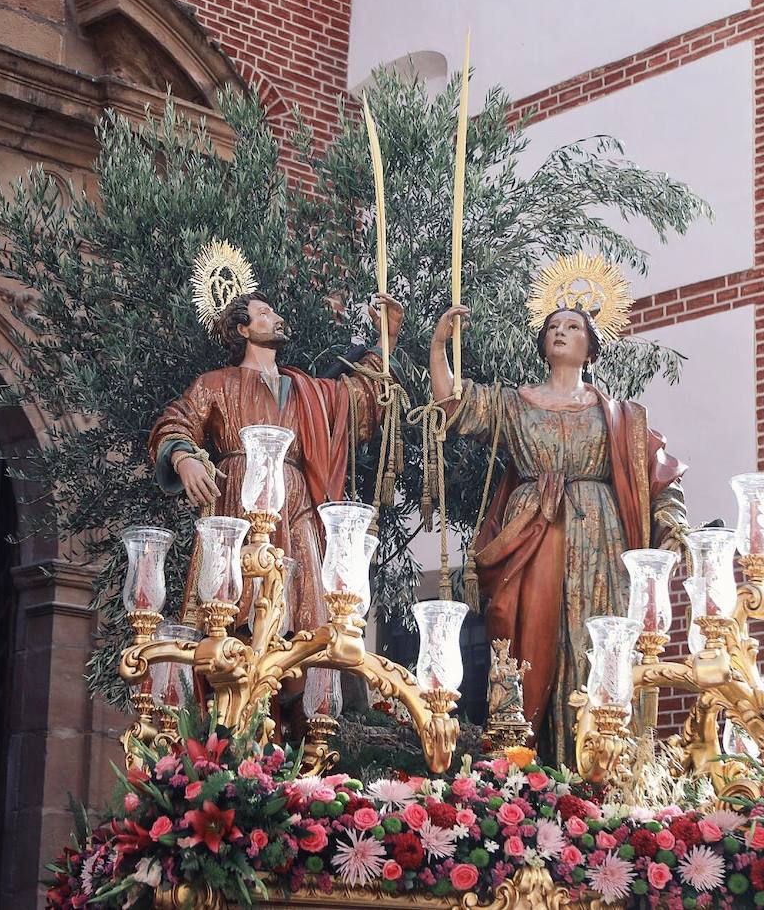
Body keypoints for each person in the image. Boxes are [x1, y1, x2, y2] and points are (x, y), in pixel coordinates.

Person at [429, 261, 685, 764]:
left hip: (602, 542)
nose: (561, 333)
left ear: (591, 345)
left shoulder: (621, 416)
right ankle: (526, 765)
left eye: (572, 326)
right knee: (527, 645)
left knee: (595, 644)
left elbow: (660, 476)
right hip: (534, 532)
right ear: (543, 344)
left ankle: (601, 762)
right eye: (553, 327)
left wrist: (672, 530)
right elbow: (454, 404)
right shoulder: (516, 403)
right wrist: (439, 345)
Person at [150, 289, 403, 633]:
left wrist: (387, 337)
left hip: (297, 502)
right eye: (265, 313)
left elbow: (362, 398)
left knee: (306, 611)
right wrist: (183, 458)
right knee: (235, 606)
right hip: (237, 497)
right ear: (243, 329)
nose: (277, 318)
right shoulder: (216, 384)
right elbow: (178, 420)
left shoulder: (307, 390)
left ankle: (302, 671)